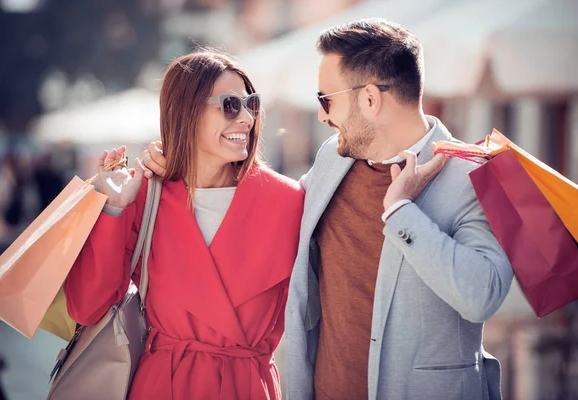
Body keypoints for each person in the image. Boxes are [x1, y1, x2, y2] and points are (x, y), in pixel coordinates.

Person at [142, 19, 513, 400]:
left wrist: (402, 213)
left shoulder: (470, 176)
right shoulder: (333, 160)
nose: (322, 116)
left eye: (326, 100)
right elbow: (265, 208)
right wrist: (178, 162)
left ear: (369, 99)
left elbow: (482, 296)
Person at [64, 50, 304, 399]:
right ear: (186, 112)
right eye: (230, 105)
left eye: (251, 104)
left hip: (248, 386)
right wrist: (114, 209)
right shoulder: (144, 196)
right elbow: (86, 307)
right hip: (165, 385)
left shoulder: (287, 199)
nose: (247, 118)